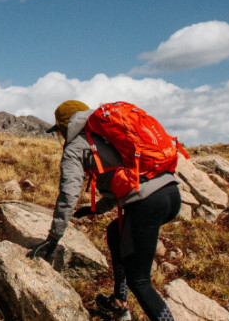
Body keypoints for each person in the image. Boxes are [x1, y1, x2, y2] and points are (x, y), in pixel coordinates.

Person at [29, 100, 180, 321]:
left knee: (140, 281)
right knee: (115, 232)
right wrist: (96, 209)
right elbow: (123, 181)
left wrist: (53, 238)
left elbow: (68, 194)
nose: (60, 136)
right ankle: (119, 302)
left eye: (59, 131)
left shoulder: (75, 147)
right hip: (170, 193)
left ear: (63, 126)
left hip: (147, 203)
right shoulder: (107, 134)